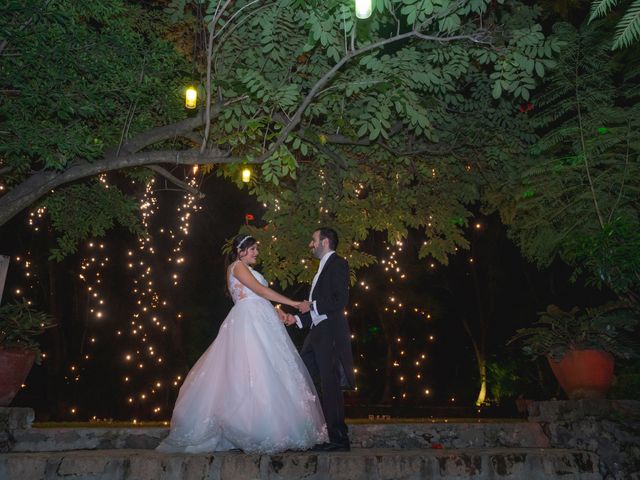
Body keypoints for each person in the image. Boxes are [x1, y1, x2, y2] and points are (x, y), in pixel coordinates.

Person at [157, 234, 328, 454]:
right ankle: (253, 428)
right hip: (249, 321)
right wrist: (294, 302)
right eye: (253, 249)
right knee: (252, 368)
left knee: (271, 369)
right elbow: (260, 291)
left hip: (262, 317)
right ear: (240, 250)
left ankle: (274, 427)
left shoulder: (246, 269)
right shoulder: (237, 266)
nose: (257, 252)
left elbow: (260, 297)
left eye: (257, 249)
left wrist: (279, 312)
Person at [284, 227, 355, 452]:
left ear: (324, 242)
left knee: (330, 384)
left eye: (313, 240)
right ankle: (305, 431)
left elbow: (339, 300)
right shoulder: (320, 270)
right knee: (299, 376)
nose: (310, 245)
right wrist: (296, 319)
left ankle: (339, 439)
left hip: (330, 334)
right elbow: (317, 311)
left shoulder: (338, 264)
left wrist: (311, 305)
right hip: (316, 334)